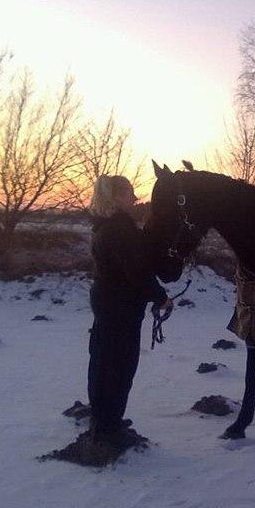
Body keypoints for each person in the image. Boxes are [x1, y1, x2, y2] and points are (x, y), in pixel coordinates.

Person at [87, 175, 173, 444]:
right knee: (119, 365)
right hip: (120, 306)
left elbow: (134, 262)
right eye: (129, 193)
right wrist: (161, 296)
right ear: (115, 197)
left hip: (109, 303)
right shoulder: (120, 230)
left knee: (103, 361)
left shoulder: (104, 226)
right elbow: (136, 271)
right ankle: (109, 428)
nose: (134, 197)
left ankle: (105, 418)